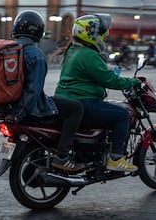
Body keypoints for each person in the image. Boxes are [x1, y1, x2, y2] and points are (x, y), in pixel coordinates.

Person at [0, 10, 85, 172]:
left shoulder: (4, 51)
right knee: (76, 108)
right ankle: (62, 156)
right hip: (27, 110)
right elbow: (33, 91)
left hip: (4, 109)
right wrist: (19, 114)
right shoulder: (35, 55)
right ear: (38, 31)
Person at [55, 14, 140, 172]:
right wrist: (133, 82)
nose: (104, 38)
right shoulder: (88, 54)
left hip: (68, 101)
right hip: (82, 102)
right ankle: (115, 158)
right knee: (122, 115)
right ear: (91, 34)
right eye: (102, 34)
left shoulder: (73, 50)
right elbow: (109, 80)